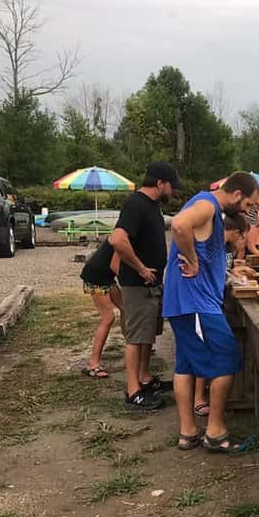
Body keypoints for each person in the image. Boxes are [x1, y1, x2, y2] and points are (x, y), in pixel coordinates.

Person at [163, 171, 259, 452]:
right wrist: (191, 260)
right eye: (249, 204)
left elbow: (208, 253)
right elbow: (179, 225)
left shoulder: (211, 209)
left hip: (191, 303)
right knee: (227, 359)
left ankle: (188, 432)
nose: (249, 211)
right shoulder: (207, 204)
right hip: (196, 304)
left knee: (185, 364)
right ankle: (215, 432)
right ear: (237, 195)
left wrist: (225, 272)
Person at [109, 162, 178, 410]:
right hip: (137, 284)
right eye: (171, 186)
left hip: (151, 284)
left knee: (148, 334)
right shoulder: (136, 204)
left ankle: (145, 379)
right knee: (136, 337)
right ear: (160, 183)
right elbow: (117, 239)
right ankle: (133, 391)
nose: (172, 192)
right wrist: (140, 268)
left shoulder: (152, 206)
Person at [193, 213, 255, 418]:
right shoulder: (214, 245)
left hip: (215, 301)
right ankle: (199, 397)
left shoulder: (226, 247)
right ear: (236, 232)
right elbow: (211, 272)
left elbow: (223, 270)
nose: (242, 241)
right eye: (242, 236)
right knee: (206, 349)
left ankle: (210, 394)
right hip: (205, 302)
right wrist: (232, 277)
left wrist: (235, 272)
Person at [79, 237, 124, 378]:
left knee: (126, 308)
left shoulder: (127, 233)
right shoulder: (124, 237)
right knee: (108, 318)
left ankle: (132, 345)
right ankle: (93, 364)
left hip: (106, 276)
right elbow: (115, 266)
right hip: (96, 277)